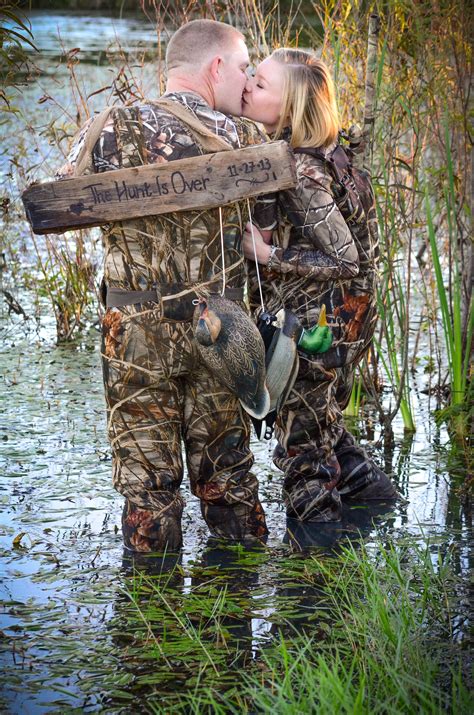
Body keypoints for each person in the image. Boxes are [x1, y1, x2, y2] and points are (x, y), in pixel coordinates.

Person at [58, 20, 269, 551]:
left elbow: (61, 199)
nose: (245, 83)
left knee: (146, 489)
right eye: (243, 68)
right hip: (220, 330)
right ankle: (236, 601)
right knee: (229, 479)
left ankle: (149, 615)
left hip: (132, 334)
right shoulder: (242, 136)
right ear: (215, 67)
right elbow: (268, 230)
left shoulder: (106, 127)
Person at [241, 48, 397, 522]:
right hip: (342, 320)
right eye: (251, 76)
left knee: (303, 456)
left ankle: (316, 580)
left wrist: (268, 255)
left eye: (261, 84)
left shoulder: (303, 171)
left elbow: (346, 258)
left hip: (318, 329)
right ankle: (378, 511)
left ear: (292, 108)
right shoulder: (330, 153)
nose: (248, 85)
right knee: (325, 429)